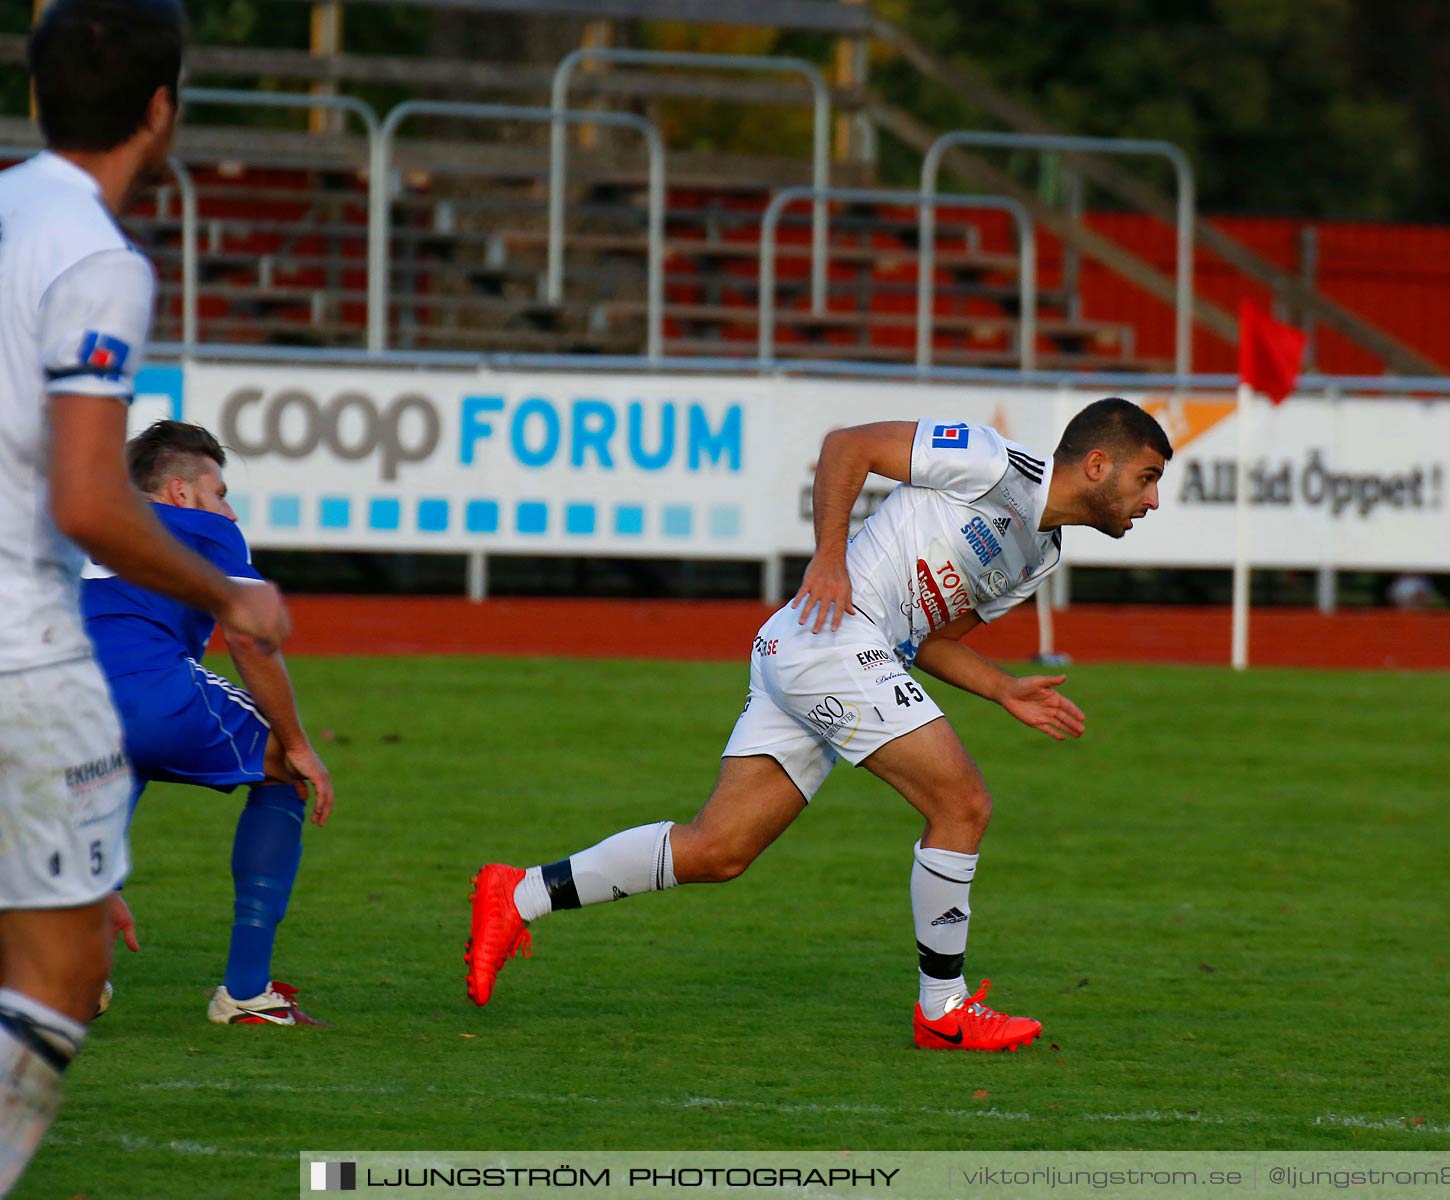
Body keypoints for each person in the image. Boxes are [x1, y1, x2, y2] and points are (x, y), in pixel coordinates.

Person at [465, 399, 1171, 1051]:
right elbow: (848, 446)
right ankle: (943, 1008)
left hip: (818, 649)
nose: (1152, 500)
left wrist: (1004, 688)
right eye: (1146, 478)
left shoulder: (1039, 554)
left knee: (718, 850)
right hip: (830, 637)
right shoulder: (993, 462)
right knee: (963, 804)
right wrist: (829, 558)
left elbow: (931, 639)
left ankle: (517, 893)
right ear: (1098, 465)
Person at [0, 0, 289, 1189]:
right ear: (162, 112)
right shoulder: (100, 260)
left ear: (35, 99)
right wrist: (229, 594)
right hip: (27, 646)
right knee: (60, 975)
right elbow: (89, 497)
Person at [82, 421, 334, 1025]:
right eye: (220, 492)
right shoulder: (203, 527)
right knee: (282, 771)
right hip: (151, 694)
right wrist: (299, 744)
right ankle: (246, 991)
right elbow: (249, 637)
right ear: (179, 492)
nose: (231, 511)